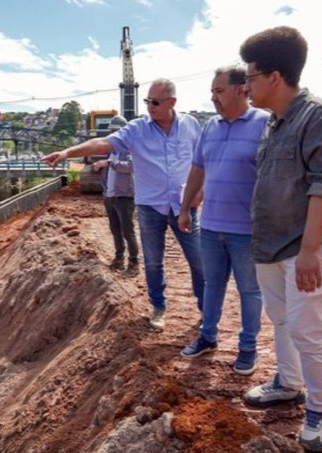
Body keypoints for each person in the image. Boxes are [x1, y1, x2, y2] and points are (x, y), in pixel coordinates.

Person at [239, 26, 322, 452]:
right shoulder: (276, 124)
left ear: (274, 76)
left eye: (250, 76)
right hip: (271, 244)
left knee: (308, 329)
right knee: (283, 321)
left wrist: (310, 251)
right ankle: (289, 383)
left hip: (307, 247)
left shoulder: (319, 117)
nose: (245, 85)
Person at [41, 78, 204, 330]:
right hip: (151, 206)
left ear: (172, 102)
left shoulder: (191, 125)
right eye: (148, 101)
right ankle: (158, 307)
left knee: (199, 260)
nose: (150, 106)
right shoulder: (137, 129)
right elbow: (102, 143)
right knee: (153, 261)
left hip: (184, 205)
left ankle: (207, 309)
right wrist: (66, 153)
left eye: (156, 102)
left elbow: (202, 159)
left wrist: (200, 191)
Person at [177, 66, 269, 376]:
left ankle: (247, 347)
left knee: (249, 290)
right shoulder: (210, 127)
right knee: (212, 284)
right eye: (213, 91)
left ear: (242, 90)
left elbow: (274, 177)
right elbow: (197, 170)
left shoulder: (265, 124)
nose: (213, 96)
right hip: (211, 225)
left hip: (247, 229)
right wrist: (186, 207)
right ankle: (207, 335)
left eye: (219, 91)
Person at [92, 115, 140, 277]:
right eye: (112, 132)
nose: (114, 135)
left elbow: (131, 167)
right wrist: (106, 191)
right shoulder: (112, 151)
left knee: (128, 231)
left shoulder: (129, 149)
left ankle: (134, 263)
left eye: (116, 131)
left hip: (124, 197)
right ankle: (119, 258)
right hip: (111, 196)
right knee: (115, 230)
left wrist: (109, 163)